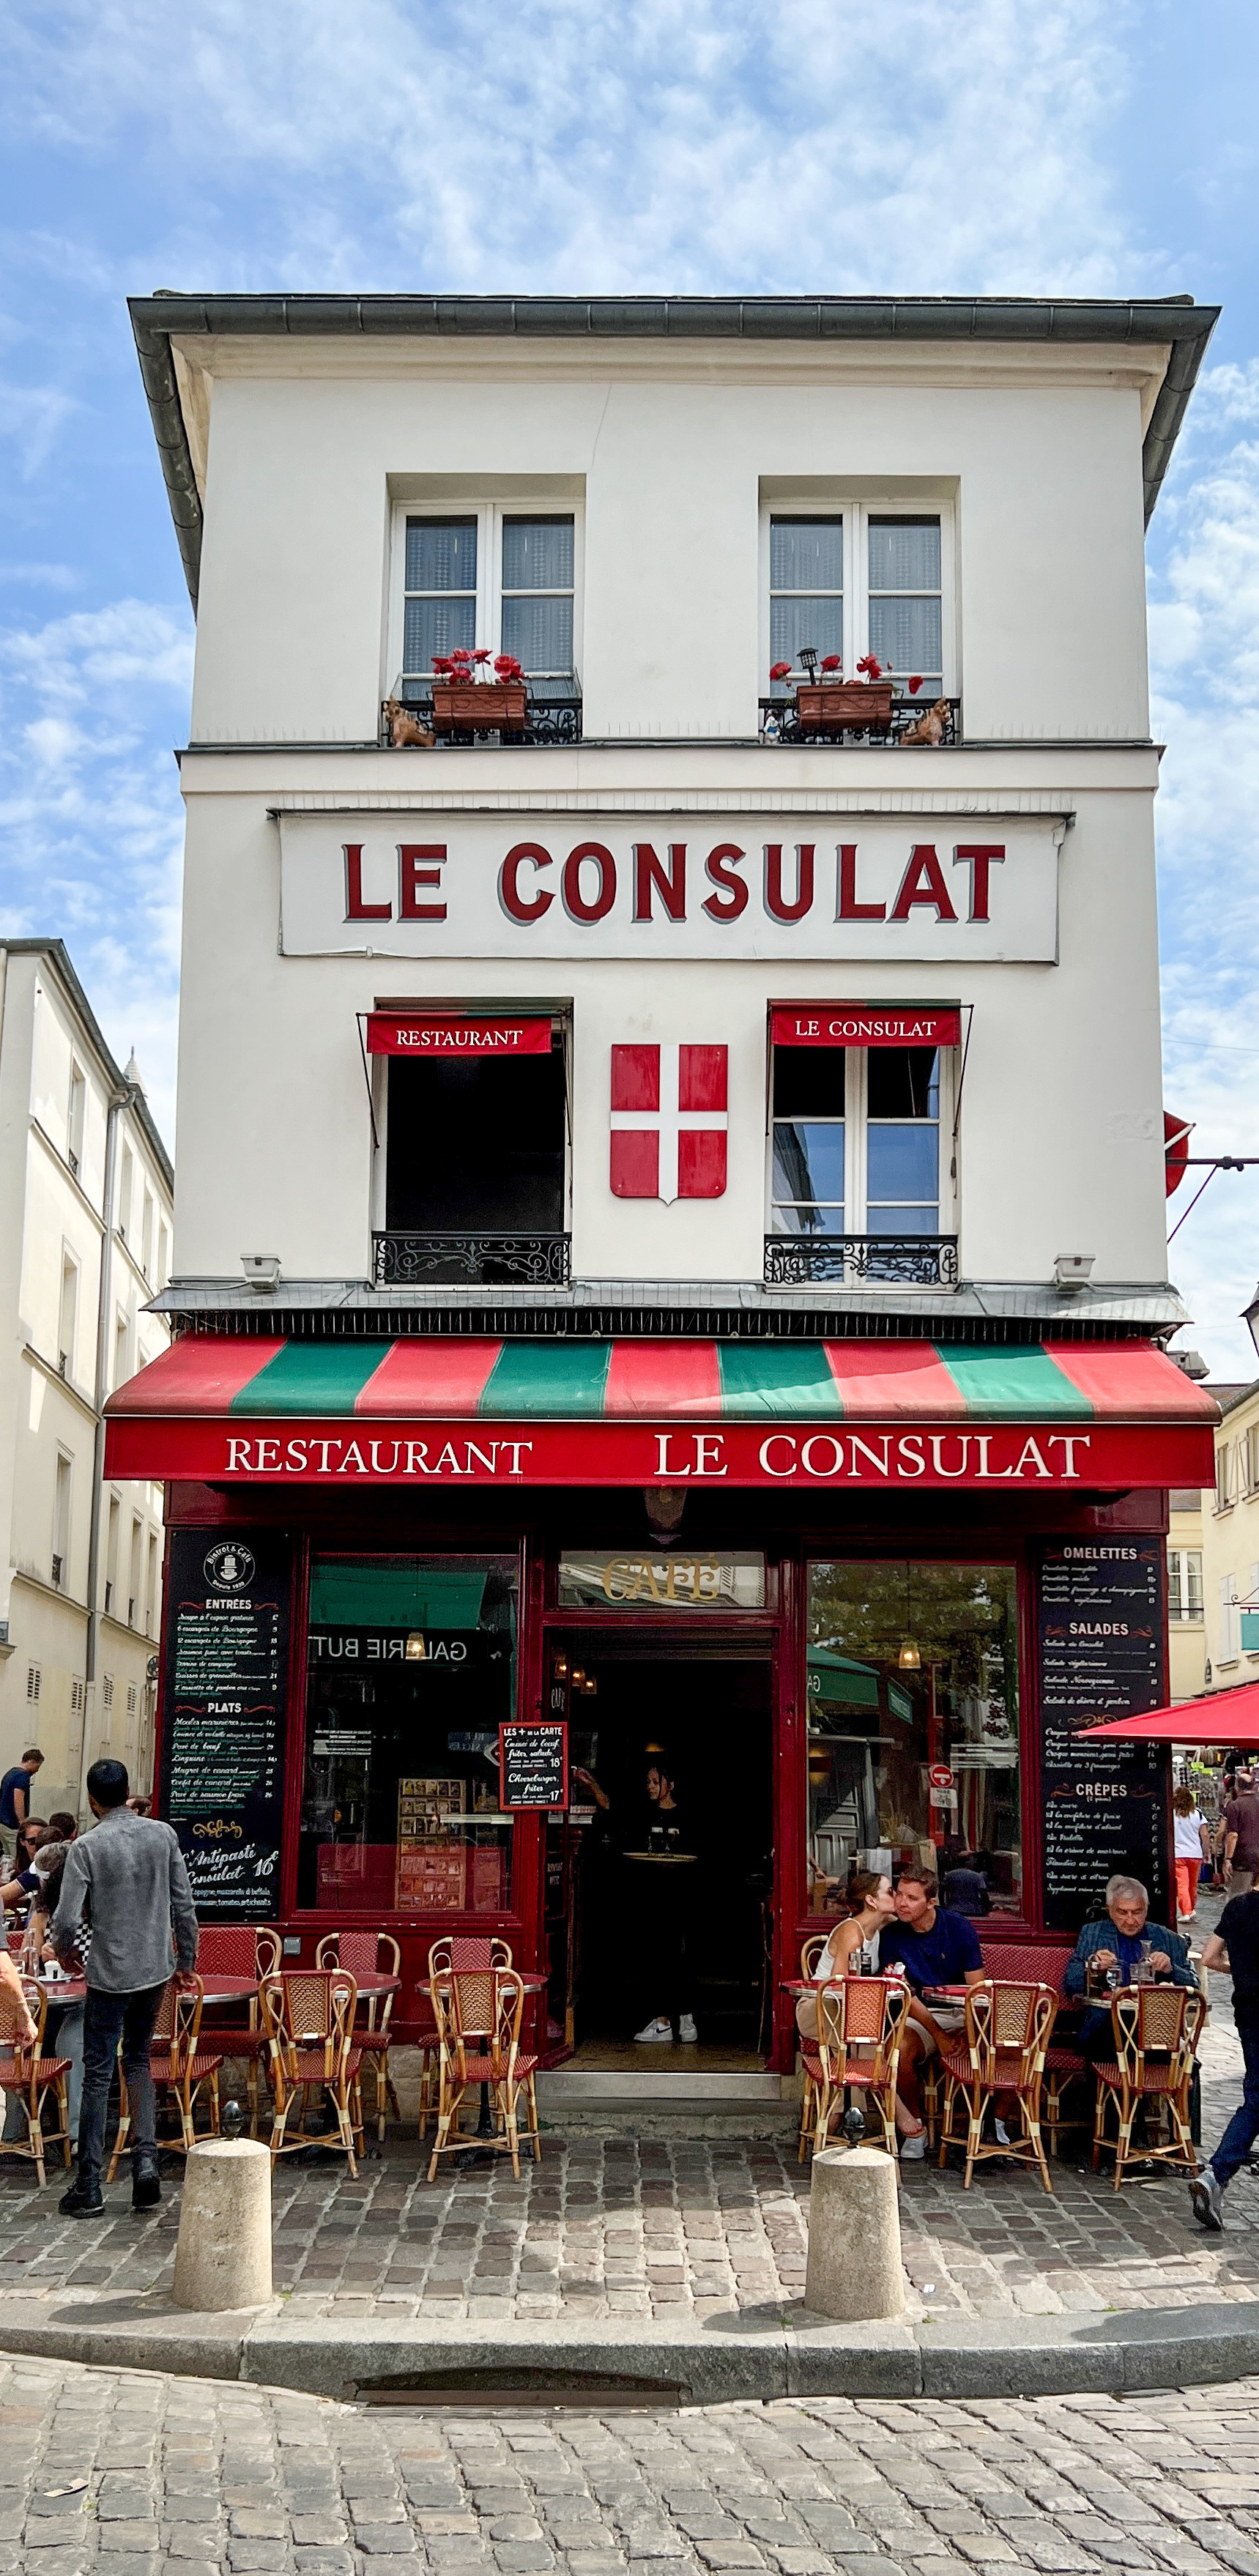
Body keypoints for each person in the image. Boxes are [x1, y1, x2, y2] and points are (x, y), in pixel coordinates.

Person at [51, 1756, 198, 2218]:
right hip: (155, 1968)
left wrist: (65, 1950)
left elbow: (65, 1918)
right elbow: (184, 1905)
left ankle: (90, 2182)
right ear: (126, 1791)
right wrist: (186, 1959)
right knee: (138, 2060)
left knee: (98, 2071)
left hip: (111, 1973)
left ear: (92, 1800)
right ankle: (147, 2165)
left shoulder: (88, 1847)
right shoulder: (163, 1835)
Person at [796, 1871, 926, 2153]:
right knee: (869, 2045)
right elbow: (841, 1984)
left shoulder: (877, 1928)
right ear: (871, 1900)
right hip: (821, 2010)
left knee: (862, 2044)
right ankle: (899, 2112)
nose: (898, 1898)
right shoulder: (851, 1931)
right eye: (891, 1891)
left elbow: (911, 1917)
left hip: (851, 2015)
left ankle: (835, 2118)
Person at [573, 1753, 698, 2044]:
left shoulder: (689, 1817)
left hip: (682, 1897)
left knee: (683, 1956)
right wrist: (592, 1785)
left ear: (672, 1784)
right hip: (652, 1897)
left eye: (656, 1782)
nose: (650, 1787)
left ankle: (686, 2017)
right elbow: (610, 1807)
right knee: (656, 1957)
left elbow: (696, 1856)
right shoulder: (643, 1813)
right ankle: (664, 2020)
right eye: (648, 1781)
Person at [877, 1868, 987, 2159]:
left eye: (912, 1898)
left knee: (1012, 2043)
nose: (901, 1903)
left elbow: (977, 1990)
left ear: (931, 1902)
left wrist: (970, 2033)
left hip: (961, 2012)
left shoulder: (959, 1927)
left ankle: (990, 2129)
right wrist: (939, 2036)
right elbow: (903, 1992)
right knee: (897, 2051)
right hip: (920, 2016)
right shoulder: (891, 1935)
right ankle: (916, 2124)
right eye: (898, 1894)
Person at [1063, 1873, 1197, 2062]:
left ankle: (1156, 2088)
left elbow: (1195, 1989)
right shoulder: (1093, 1933)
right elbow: (1071, 1984)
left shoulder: (1168, 1939)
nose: (1130, 1920)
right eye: (1122, 1912)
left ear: (1146, 1910)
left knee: (1187, 2064)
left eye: (1137, 1912)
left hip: (1155, 2029)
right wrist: (1093, 1964)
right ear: (1110, 1911)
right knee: (1103, 2047)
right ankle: (1112, 2089)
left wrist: (1171, 1969)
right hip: (1107, 2027)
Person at [1189, 1882, 1259, 2230]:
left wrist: (1245, 1973)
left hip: (1249, 2018)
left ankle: (1217, 2174)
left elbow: (1208, 1958)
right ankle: (1217, 2172)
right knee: (1257, 2101)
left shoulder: (1237, 1908)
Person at [1173, 1786, 1211, 1923]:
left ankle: (1186, 1911)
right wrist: (1207, 1852)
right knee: (1192, 1885)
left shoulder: (1171, 1815)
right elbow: (1205, 1835)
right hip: (1195, 1854)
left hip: (1178, 1854)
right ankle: (1190, 1909)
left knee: (1182, 1884)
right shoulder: (1198, 1815)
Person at [1222, 1769, 1259, 1898]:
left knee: (1239, 1895)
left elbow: (1233, 1835)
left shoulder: (1235, 1806)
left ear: (1237, 1787)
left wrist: (1228, 1860)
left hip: (1244, 1858)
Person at [0, 1749, 43, 1857]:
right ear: (31, 1761)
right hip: (12, 1824)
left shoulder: (10, 1773)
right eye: (38, 1766)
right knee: (16, 1857)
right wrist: (23, 1823)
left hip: (2, 1822)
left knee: (6, 1856)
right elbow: (18, 1800)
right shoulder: (22, 1776)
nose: (37, 1770)